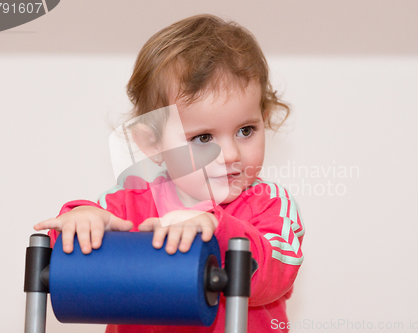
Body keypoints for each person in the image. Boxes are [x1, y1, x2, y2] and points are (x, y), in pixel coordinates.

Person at [34, 13, 305, 333]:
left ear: (264, 119)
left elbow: (277, 270)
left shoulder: (269, 204)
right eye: (203, 138)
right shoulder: (127, 205)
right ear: (152, 143)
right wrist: (80, 222)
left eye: (246, 130)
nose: (231, 154)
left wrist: (218, 228)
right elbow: (66, 261)